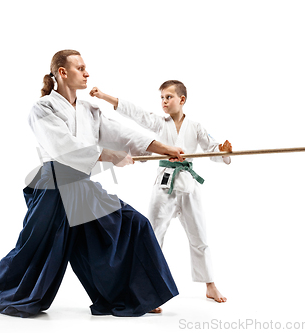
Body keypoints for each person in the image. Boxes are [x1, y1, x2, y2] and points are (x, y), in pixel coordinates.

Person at [0, 50, 185, 317]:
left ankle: (135, 295)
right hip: (54, 183)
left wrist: (163, 148)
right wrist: (111, 156)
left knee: (132, 224)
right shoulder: (43, 108)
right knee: (36, 243)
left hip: (80, 185)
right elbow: (64, 148)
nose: (87, 73)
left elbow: (121, 134)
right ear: (62, 72)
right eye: (81, 68)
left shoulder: (89, 109)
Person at [90, 80, 232, 303]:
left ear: (182, 100)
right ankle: (147, 289)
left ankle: (210, 285)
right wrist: (105, 97)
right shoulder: (159, 123)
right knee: (153, 236)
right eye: (162, 98)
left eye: (169, 97)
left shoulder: (195, 127)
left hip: (188, 186)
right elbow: (135, 113)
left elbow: (212, 149)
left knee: (199, 236)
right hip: (164, 185)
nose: (164, 102)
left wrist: (223, 151)